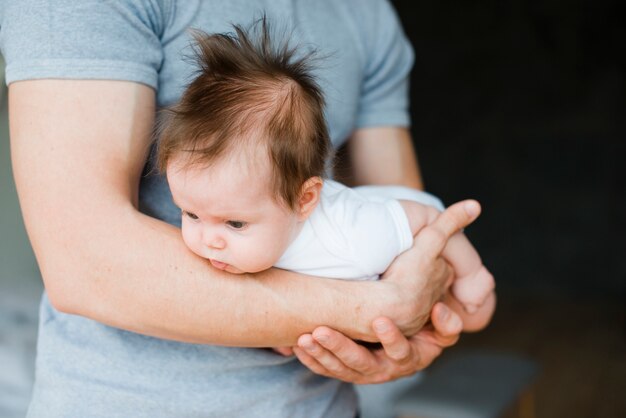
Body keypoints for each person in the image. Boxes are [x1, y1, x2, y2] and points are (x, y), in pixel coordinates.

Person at [1, 1, 495, 416]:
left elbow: (406, 226)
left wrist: (401, 328)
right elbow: (84, 258)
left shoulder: (363, 12)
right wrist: (370, 310)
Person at [157, 22, 496, 328]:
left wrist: (470, 273)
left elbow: (431, 219)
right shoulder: (248, 224)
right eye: (191, 214)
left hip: (406, 217)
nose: (208, 240)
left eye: (234, 224)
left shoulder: (360, 239)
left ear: (304, 201)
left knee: (474, 314)